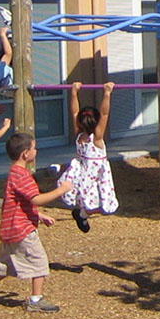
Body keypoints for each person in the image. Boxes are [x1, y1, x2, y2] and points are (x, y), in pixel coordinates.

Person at [0, 132, 74, 312]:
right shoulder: (21, 175)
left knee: (5, 266)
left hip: (10, 228)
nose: (36, 151)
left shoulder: (15, 173)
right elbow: (36, 199)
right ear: (25, 154)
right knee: (40, 262)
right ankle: (36, 300)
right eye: (34, 148)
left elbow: (22, 203)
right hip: (22, 230)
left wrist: (39, 215)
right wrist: (62, 190)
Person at [57, 81, 118, 233]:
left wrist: (73, 93)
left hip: (85, 174)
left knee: (98, 204)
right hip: (94, 176)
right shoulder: (97, 139)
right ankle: (82, 214)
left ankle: (81, 214)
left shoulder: (79, 134)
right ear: (96, 123)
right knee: (101, 206)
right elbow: (104, 114)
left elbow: (75, 113)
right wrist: (107, 94)